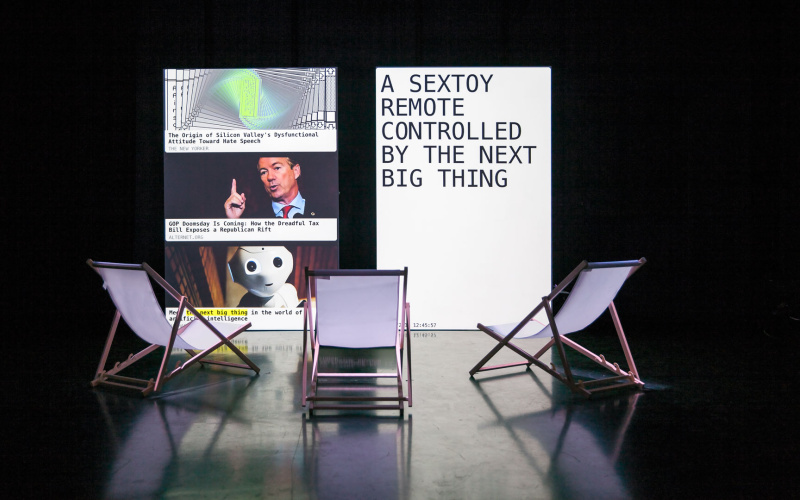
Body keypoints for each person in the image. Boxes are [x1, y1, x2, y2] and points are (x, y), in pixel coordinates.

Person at [224, 156, 324, 218]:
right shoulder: (255, 220)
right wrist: (234, 221)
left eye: (277, 168)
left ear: (296, 171)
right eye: (263, 172)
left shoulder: (324, 213)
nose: (270, 177)